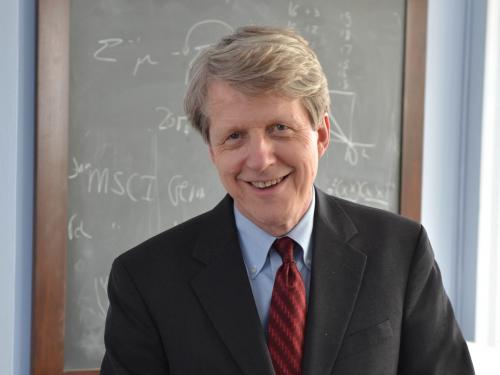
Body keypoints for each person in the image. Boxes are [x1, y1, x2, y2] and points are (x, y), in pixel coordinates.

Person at [100, 26, 474, 375]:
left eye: (280, 128)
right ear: (212, 150)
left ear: (322, 134)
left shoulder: (401, 252)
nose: (261, 159)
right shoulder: (146, 279)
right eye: (234, 136)